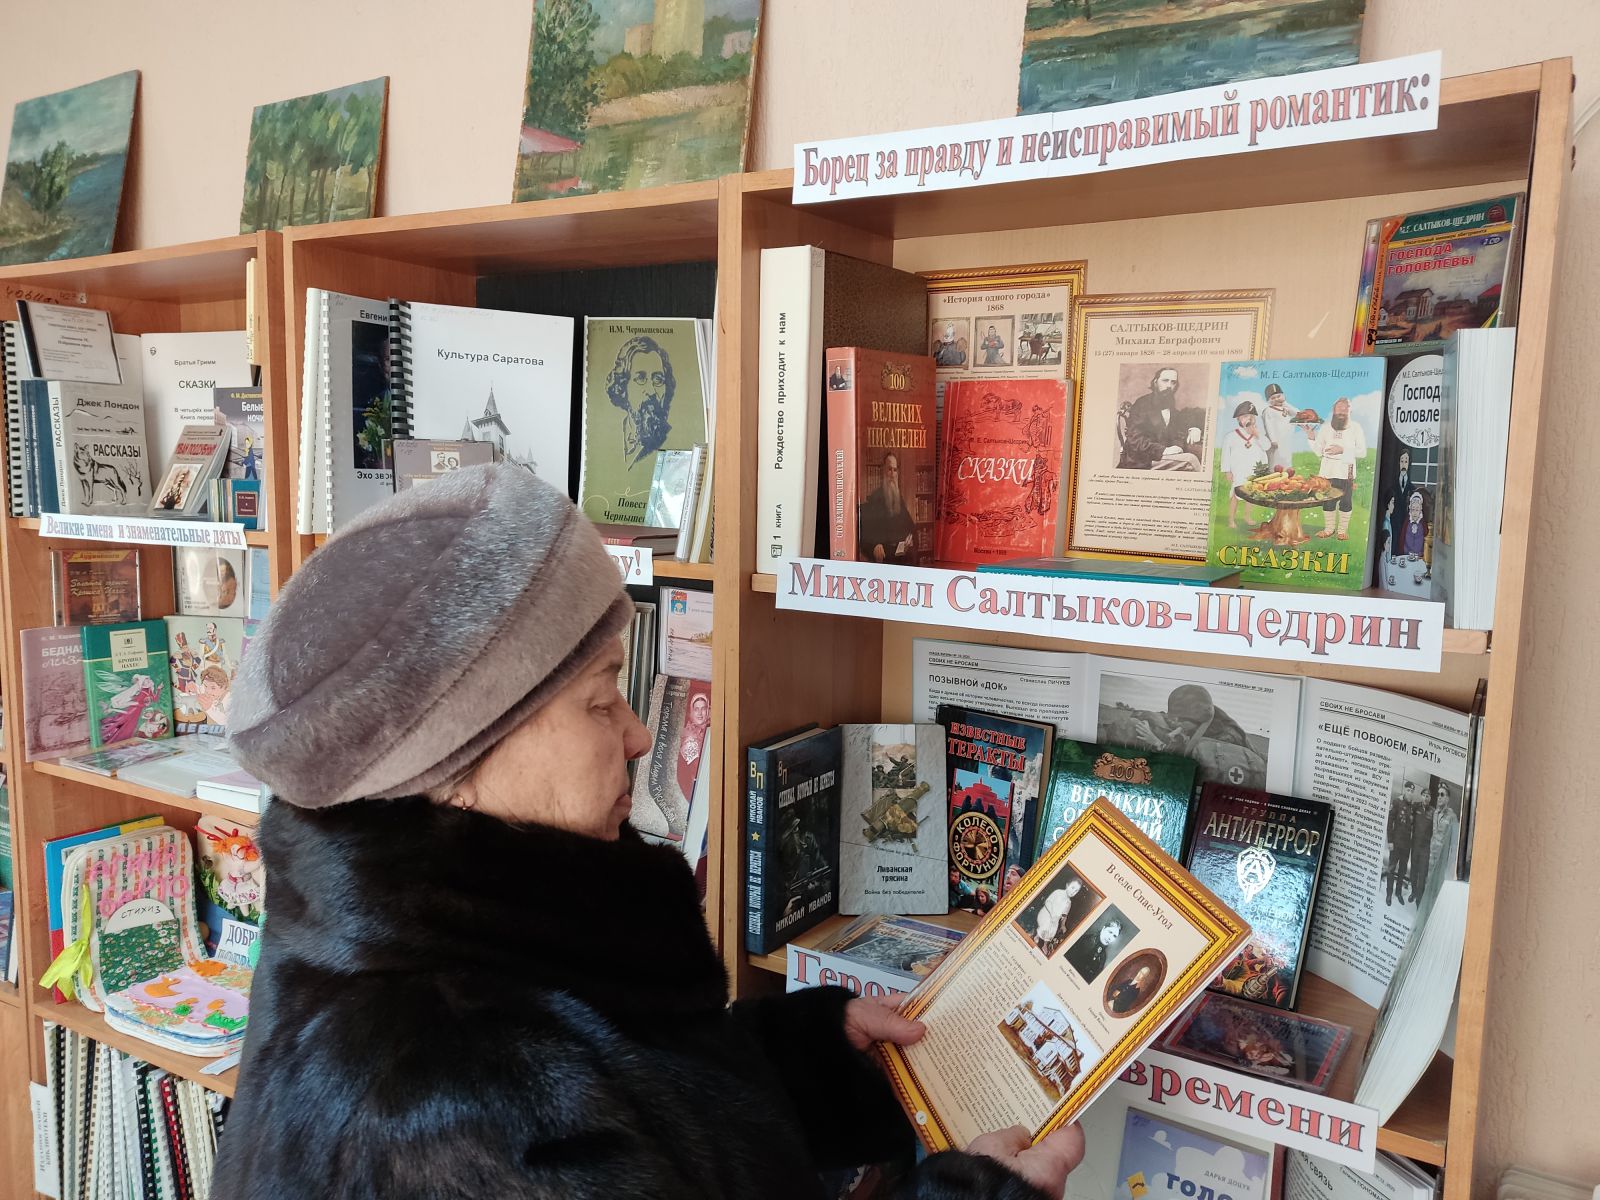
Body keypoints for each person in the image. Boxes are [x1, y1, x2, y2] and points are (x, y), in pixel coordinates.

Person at [212, 464, 1084, 1200]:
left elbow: (623, 1089)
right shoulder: (449, 1100)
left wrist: (807, 1061)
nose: (637, 736)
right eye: (601, 701)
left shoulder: (434, 931)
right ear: (455, 767)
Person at [605, 334, 676, 466]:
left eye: (658, 380)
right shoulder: (609, 434)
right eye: (641, 379)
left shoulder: (672, 438)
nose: (651, 391)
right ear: (623, 387)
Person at [1119, 368, 1203, 471]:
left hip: (1160, 456)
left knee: (1197, 453)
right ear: (1155, 382)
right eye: (1165, 380)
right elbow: (1135, 439)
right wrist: (1163, 450)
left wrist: (1194, 428)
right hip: (1141, 459)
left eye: (1173, 382)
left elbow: (1186, 419)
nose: (1169, 385)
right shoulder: (1142, 403)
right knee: (1191, 460)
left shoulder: (1172, 408)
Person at [1308, 397, 1367, 540]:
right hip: (1327, 471)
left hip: (1346, 471)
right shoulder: (1325, 428)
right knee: (1328, 501)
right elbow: (1318, 451)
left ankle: (1342, 531)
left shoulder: (1356, 428)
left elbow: (1362, 452)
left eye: (1345, 409)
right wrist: (1311, 437)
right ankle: (1329, 529)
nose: (1341, 412)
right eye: (1339, 409)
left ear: (1349, 411)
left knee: (1346, 501)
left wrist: (1342, 450)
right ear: (1333, 411)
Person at [858, 451, 917, 563]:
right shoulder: (875, 498)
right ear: (883, 471)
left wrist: (909, 538)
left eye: (895, 470)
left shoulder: (899, 499)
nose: (892, 474)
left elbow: (911, 528)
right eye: (889, 469)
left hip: (900, 558)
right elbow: (863, 536)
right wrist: (874, 546)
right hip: (885, 559)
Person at [1220, 401, 1269, 529]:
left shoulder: (1258, 435)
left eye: (1252, 416)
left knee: (1250, 495)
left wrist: (1257, 435)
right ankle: (1231, 520)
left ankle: (1247, 516)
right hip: (1238, 471)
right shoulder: (1231, 436)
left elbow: (1267, 446)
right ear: (1238, 419)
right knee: (1235, 495)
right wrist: (1227, 471)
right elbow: (1225, 455)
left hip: (1254, 471)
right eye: (1245, 416)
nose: (1249, 419)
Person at [1066, 918, 1122, 983]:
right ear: (1103, 928)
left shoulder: (1103, 956)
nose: (1110, 937)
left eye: (1114, 936)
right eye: (1110, 932)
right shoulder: (1085, 940)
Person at [1259, 383, 1296, 473]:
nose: (1276, 399)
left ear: (1283, 395)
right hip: (1275, 441)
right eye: (1273, 398)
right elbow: (1268, 425)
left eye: (1278, 396)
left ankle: (1287, 475)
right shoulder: (1268, 411)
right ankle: (1273, 474)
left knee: (1286, 457)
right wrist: (1273, 440)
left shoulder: (1285, 408)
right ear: (1268, 400)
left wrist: (1285, 403)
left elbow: (1297, 414)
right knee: (1275, 460)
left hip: (1285, 440)